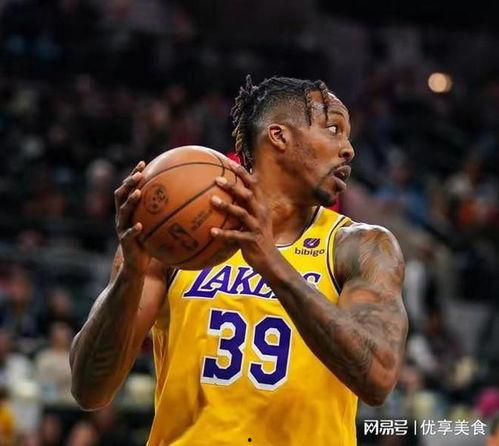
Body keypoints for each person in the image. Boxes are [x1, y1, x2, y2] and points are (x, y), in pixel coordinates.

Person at [70, 76, 408, 445]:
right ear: (279, 136)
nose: (348, 150)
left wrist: (271, 264)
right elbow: (89, 390)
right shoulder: (175, 238)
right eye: (334, 129)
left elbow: (378, 378)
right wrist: (131, 274)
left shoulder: (359, 246)